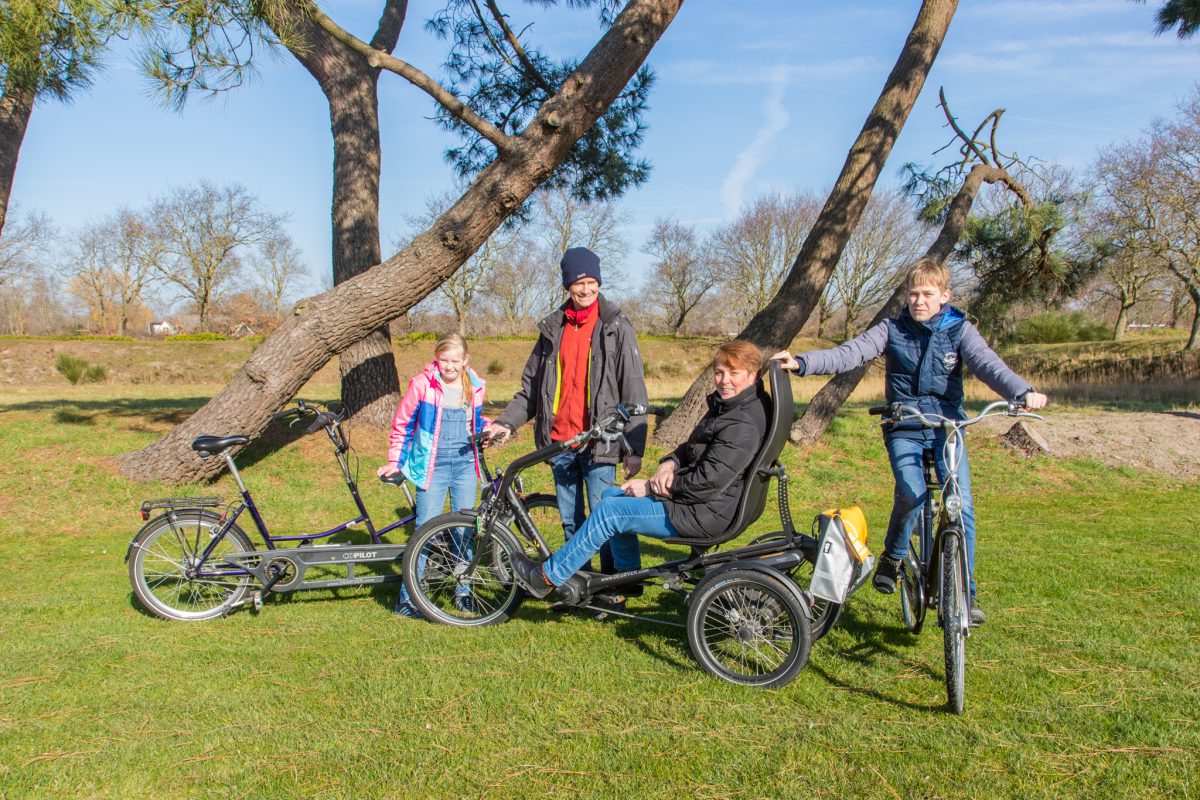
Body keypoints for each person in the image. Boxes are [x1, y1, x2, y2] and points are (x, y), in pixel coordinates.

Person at [773, 258, 1048, 626]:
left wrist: (1022, 391)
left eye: (927, 294)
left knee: (961, 505)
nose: (918, 300)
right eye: (913, 293)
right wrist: (802, 362)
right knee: (911, 492)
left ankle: (966, 594)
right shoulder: (891, 329)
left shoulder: (959, 329)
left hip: (947, 426)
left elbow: (987, 364)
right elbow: (850, 352)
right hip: (903, 423)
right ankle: (895, 554)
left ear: (944, 296)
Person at [506, 340, 770, 601]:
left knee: (611, 512)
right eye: (719, 372)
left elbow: (709, 481)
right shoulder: (731, 407)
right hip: (704, 503)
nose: (724, 380)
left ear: (752, 375)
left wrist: (652, 487)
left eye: (734, 373)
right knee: (610, 497)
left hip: (705, 511)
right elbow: (692, 447)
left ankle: (546, 578)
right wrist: (670, 462)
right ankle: (626, 579)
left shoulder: (740, 422)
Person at [482, 246, 649, 581]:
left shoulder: (615, 326)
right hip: (561, 443)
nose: (585, 289)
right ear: (567, 286)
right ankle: (579, 584)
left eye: (591, 281)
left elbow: (634, 390)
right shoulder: (553, 330)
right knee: (572, 522)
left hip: (601, 442)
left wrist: (634, 447)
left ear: (598, 282)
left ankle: (612, 587)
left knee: (604, 520)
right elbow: (531, 388)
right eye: (578, 283)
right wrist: (505, 422)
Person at [379, 333, 488, 617]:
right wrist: (395, 460)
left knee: (465, 529)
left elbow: (475, 421)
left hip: (464, 464)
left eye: (455, 361)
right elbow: (402, 424)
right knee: (425, 530)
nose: (449, 367)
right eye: (444, 360)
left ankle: (463, 592)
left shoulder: (475, 386)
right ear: (436, 358)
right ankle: (409, 598)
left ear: (465, 360)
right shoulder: (422, 385)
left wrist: (487, 430)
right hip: (433, 467)